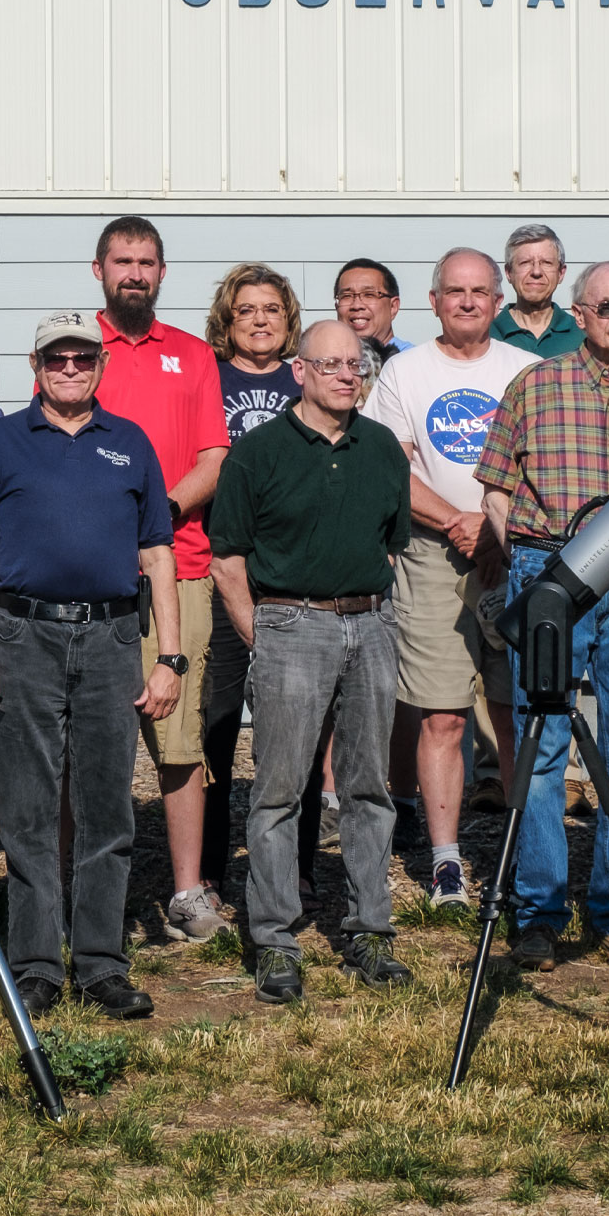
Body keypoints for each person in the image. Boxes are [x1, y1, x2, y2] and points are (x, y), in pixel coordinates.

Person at [0, 313, 181, 1019]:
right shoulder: (1, 442)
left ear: (99, 365)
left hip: (113, 638)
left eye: (82, 357)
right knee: (26, 807)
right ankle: (33, 965)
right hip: (23, 636)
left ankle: (99, 964)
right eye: (57, 358)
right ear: (36, 364)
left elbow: (157, 555)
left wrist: (169, 655)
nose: (70, 368)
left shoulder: (131, 444)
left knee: (107, 807)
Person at [473, 263, 609, 976]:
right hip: (549, 575)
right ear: (580, 311)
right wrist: (529, 571)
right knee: (540, 748)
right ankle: (537, 915)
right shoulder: (534, 384)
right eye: (608, 306)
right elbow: (496, 489)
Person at [209, 320, 416, 1005]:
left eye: (354, 365)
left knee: (367, 789)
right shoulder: (258, 453)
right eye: (329, 365)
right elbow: (228, 559)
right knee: (279, 790)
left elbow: (391, 545)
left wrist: (367, 613)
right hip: (290, 623)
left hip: (370, 622)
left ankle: (369, 930)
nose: (345, 375)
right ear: (300, 371)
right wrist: (263, 635)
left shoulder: (382, 448)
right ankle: (274, 939)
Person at [361, 248, 523, 913]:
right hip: (432, 556)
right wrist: (460, 522)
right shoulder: (404, 372)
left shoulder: (527, 371)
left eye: (479, 292)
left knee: (516, 714)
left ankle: (521, 852)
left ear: (497, 301)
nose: (466, 302)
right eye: (454, 291)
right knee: (441, 717)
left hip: (515, 556)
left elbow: (540, 467)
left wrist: (495, 530)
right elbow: (390, 468)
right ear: (433, 301)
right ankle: (447, 860)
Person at [91, 217, 230, 944]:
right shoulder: (76, 353)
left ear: (162, 272)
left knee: (180, 747)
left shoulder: (193, 355)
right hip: (93, 580)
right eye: (123, 261)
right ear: (99, 270)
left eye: (147, 261)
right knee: (96, 745)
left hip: (182, 570)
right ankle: (95, 891)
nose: (135, 273)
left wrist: (158, 513)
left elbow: (213, 458)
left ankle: (185, 890)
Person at [198, 264, 323, 901]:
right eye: (245, 310)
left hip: (293, 571)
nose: (260, 320)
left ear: (288, 318)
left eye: (271, 308)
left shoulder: (303, 378)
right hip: (223, 565)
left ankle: (296, 868)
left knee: (295, 730)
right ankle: (211, 869)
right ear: (228, 319)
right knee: (216, 728)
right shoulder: (208, 379)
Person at [494, 223, 581, 359]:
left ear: (561, 273)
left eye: (546, 262)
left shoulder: (583, 337)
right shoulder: (486, 336)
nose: (536, 272)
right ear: (509, 273)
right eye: (525, 262)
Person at [334, 259, 407, 392]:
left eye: (369, 295)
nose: (357, 305)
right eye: (347, 296)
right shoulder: (326, 366)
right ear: (336, 306)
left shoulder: (411, 362)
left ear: (393, 307)